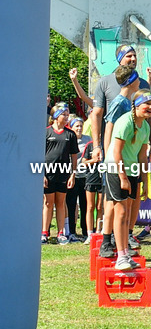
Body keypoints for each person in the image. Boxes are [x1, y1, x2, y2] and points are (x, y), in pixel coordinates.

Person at [92, 45, 151, 259]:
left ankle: (125, 239)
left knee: (127, 204)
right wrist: (106, 152)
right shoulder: (117, 99)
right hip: (116, 159)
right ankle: (107, 241)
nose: (133, 59)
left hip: (131, 158)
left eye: (135, 56)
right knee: (112, 204)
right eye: (129, 56)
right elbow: (107, 123)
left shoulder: (133, 100)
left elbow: (145, 121)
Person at [104, 90, 151, 270]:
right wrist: (123, 177)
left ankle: (125, 252)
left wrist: (145, 182)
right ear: (137, 105)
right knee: (121, 213)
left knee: (128, 214)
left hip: (132, 169)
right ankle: (120, 256)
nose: (150, 108)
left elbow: (143, 157)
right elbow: (116, 151)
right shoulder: (125, 122)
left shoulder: (146, 126)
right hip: (115, 168)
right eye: (147, 104)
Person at [42, 103, 78, 245]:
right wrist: (42, 175)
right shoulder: (46, 132)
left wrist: (73, 174)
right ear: (56, 117)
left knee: (61, 202)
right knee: (48, 202)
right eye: (64, 114)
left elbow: (74, 156)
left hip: (63, 173)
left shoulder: (70, 134)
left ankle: (61, 232)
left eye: (68, 114)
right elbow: (40, 154)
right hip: (48, 173)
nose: (66, 117)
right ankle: (44, 232)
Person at [64, 117, 89, 242]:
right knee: (71, 204)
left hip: (85, 176)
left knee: (85, 205)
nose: (79, 128)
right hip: (72, 176)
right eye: (76, 126)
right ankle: (72, 232)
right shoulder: (68, 138)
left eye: (81, 126)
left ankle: (86, 231)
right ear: (71, 127)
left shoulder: (88, 139)